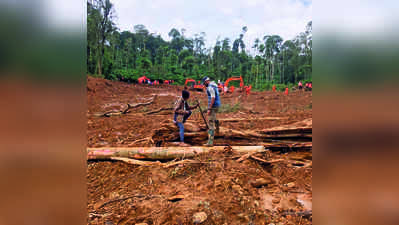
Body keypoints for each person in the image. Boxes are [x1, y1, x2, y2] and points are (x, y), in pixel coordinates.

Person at [202, 76, 221, 146]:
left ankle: (210, 142)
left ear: (207, 81)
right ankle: (216, 122)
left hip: (213, 106)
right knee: (213, 117)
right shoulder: (214, 85)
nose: (204, 84)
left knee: (210, 122)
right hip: (217, 105)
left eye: (204, 83)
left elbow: (213, 97)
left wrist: (209, 109)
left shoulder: (210, 87)